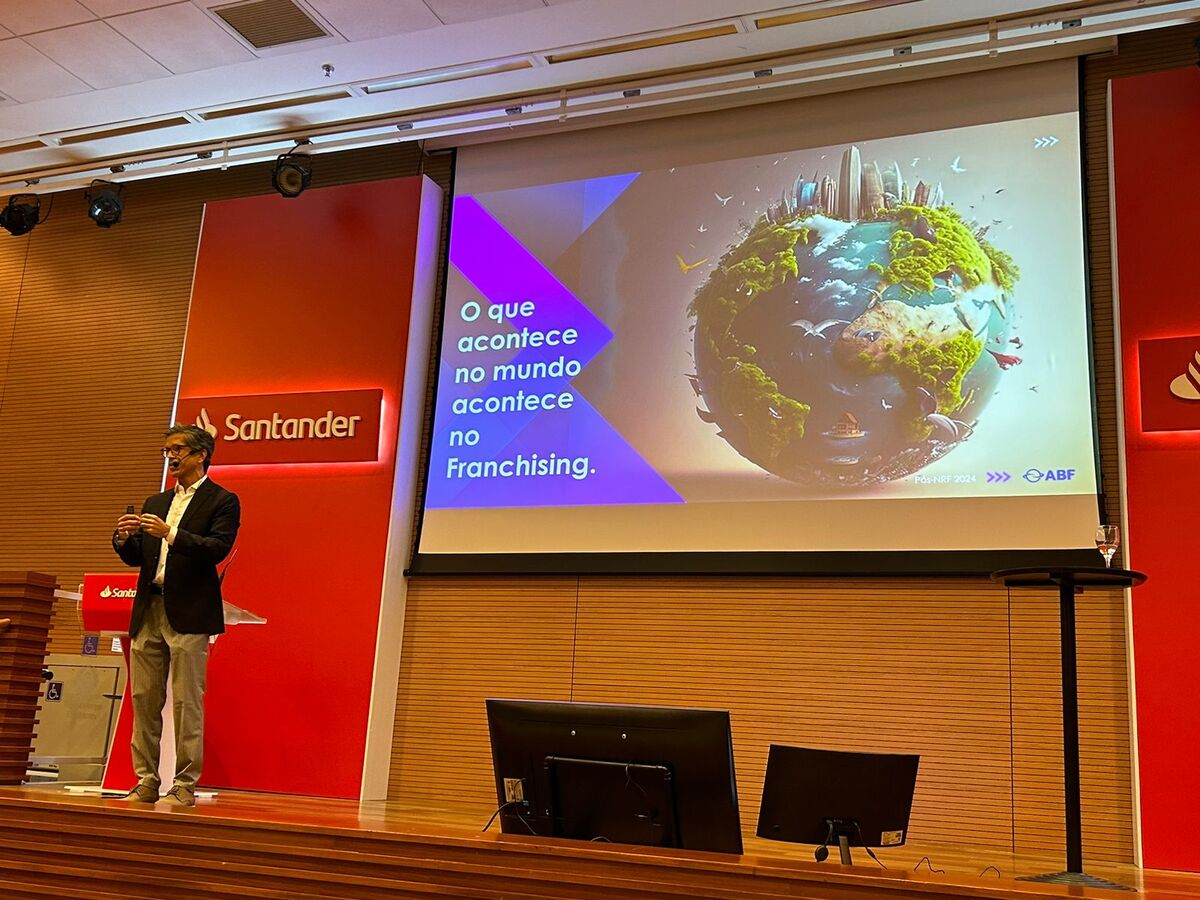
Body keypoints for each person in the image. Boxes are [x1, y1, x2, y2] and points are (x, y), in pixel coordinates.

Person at [112, 424, 240, 806]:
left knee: (187, 702)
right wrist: (123, 541)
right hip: (149, 608)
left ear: (201, 455)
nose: (170, 456)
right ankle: (145, 782)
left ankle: (184, 785)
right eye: (167, 449)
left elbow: (216, 548)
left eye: (178, 449)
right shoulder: (155, 502)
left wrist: (170, 533)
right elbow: (141, 557)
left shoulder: (223, 500)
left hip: (189, 611)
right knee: (145, 700)